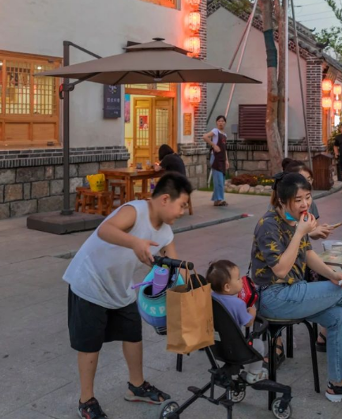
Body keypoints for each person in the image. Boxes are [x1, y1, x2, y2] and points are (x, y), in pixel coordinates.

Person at [63, 173, 192, 418]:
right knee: (90, 344)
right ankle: (86, 400)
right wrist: (134, 242)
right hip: (90, 280)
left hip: (120, 286)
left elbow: (177, 266)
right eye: (182, 205)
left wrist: (189, 288)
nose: (183, 211)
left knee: (133, 334)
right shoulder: (135, 210)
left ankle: (137, 386)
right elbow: (104, 229)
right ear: (165, 199)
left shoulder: (165, 232)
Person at [252, 172, 342, 402]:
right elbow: (280, 270)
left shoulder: (296, 219)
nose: (305, 204)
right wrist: (300, 232)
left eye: (308, 197)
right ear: (282, 201)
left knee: (340, 315)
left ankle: (337, 384)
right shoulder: (268, 225)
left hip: (295, 290)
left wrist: (333, 274)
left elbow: (308, 254)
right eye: (298, 200)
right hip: (273, 296)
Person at [206, 260, 268, 384]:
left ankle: (233, 370)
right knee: (258, 345)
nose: (241, 281)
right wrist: (252, 312)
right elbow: (248, 323)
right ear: (227, 287)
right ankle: (255, 374)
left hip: (216, 346)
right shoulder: (238, 304)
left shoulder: (209, 299)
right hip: (237, 348)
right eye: (238, 278)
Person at [203, 116, 229, 207]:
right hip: (216, 158)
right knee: (218, 180)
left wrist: (227, 160)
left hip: (222, 159)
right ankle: (219, 200)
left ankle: (217, 199)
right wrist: (213, 145)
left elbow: (225, 149)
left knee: (221, 180)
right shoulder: (215, 131)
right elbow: (205, 137)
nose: (221, 123)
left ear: (225, 123)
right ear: (216, 122)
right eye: (219, 121)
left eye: (222, 121)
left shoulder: (225, 135)